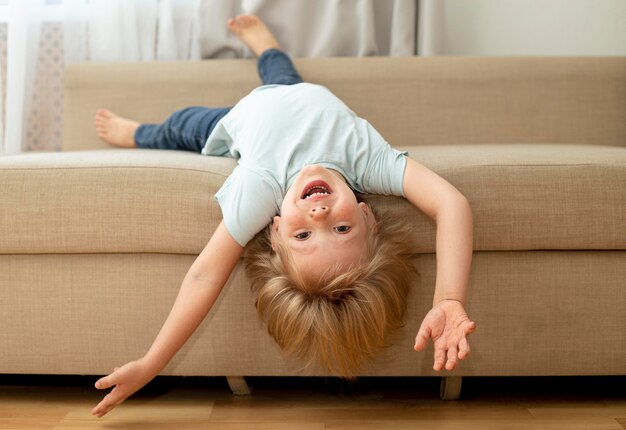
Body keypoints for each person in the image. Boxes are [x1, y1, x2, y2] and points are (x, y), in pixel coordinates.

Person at [91, 15, 476, 419]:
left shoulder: (261, 187)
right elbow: (451, 204)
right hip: (295, 90)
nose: (320, 212)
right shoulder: (370, 161)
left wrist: (153, 362)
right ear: (368, 217)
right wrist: (449, 297)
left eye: (303, 236)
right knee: (279, 68)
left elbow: (205, 274)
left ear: (274, 231)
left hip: (236, 119)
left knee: (179, 125)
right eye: (341, 228)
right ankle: (267, 47)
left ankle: (136, 132)